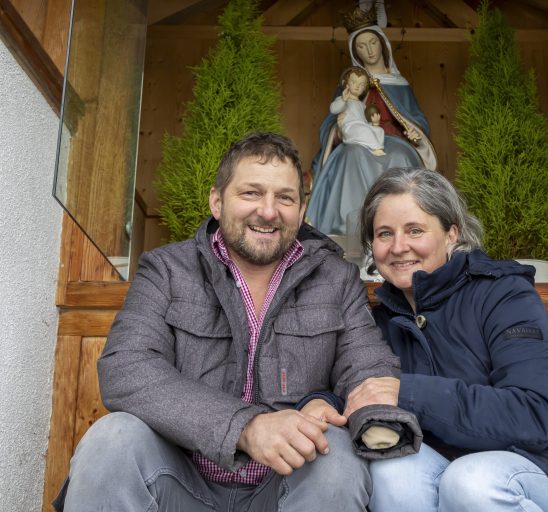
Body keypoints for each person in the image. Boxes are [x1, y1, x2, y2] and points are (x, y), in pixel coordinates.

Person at [52, 132, 409, 512]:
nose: (269, 211)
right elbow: (126, 368)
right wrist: (245, 427)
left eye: (284, 198)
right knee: (113, 437)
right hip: (181, 480)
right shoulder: (168, 269)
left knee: (335, 453)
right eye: (251, 193)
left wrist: (377, 421)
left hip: (284, 489)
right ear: (217, 201)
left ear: (302, 211)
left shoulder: (336, 278)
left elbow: (368, 368)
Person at [347, 167, 548, 511]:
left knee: (470, 481)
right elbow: (345, 383)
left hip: (546, 466)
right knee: (392, 472)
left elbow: (534, 415)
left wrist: (408, 393)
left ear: (451, 233)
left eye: (415, 230)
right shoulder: (379, 318)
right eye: (385, 234)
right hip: (445, 466)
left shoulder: (503, 294)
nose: (399, 247)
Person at [306, 7, 437, 236]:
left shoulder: (399, 83)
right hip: (356, 141)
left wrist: (414, 131)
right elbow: (328, 123)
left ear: (383, 44)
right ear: (355, 52)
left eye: (373, 43)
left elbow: (417, 120)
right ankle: (349, 229)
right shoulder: (350, 85)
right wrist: (337, 128)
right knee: (350, 154)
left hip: (395, 141)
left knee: (400, 157)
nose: (369, 50)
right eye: (361, 46)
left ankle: (401, 226)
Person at [331, 66, 385, 156]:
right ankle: (375, 149)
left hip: (362, 126)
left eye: (362, 85)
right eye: (353, 82)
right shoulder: (343, 100)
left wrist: (374, 124)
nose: (357, 86)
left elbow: (365, 121)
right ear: (347, 84)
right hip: (350, 128)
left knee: (379, 131)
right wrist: (343, 100)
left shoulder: (362, 105)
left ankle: (376, 148)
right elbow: (333, 109)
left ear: (364, 89)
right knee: (363, 130)